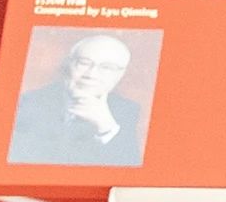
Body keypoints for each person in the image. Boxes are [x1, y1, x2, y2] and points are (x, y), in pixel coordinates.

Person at [8, 28, 153, 163]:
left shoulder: (127, 109)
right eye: (83, 63)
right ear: (69, 64)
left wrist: (106, 128)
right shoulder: (28, 101)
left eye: (107, 67)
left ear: (120, 74)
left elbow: (129, 168)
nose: (91, 74)